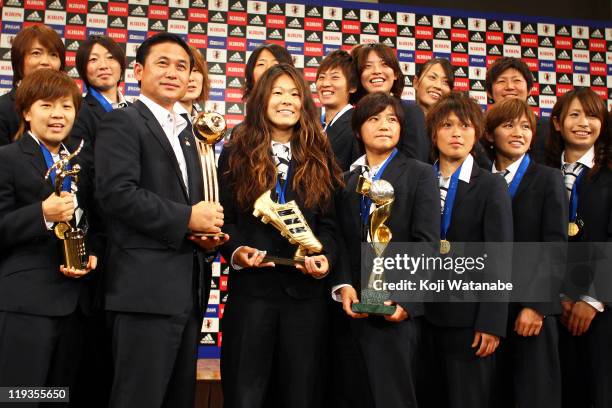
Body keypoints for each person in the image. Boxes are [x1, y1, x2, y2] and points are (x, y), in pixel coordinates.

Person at [95, 33, 224, 408]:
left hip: (188, 291)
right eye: (162, 63)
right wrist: (188, 218)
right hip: (143, 291)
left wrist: (207, 236)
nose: (173, 73)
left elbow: (195, 206)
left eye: (182, 66)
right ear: (137, 71)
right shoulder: (123, 122)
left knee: (178, 398)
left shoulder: (191, 135)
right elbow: (116, 194)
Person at [218, 63, 343, 408]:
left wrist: (326, 258)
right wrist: (237, 250)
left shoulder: (320, 155)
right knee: (246, 395)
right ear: (261, 100)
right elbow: (223, 220)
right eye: (278, 93)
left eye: (295, 94)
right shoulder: (236, 152)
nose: (287, 101)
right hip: (252, 296)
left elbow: (331, 225)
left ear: (304, 103)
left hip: (307, 303)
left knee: (301, 395)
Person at [332, 92, 440, 407]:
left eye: (392, 119)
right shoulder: (345, 181)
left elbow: (427, 244)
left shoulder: (420, 174)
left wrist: (406, 300)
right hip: (350, 313)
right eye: (374, 118)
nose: (384, 125)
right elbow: (338, 240)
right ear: (357, 130)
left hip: (394, 314)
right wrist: (344, 286)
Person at [0, 69, 98, 393]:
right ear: (27, 111)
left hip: (77, 306)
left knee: (60, 398)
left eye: (66, 106)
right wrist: (41, 213)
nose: (58, 114)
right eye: (46, 105)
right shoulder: (7, 159)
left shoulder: (82, 163)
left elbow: (95, 219)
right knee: (20, 397)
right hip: (26, 305)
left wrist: (93, 252)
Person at [421, 91, 513, 408]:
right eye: (446, 125)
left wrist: (491, 322)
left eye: (464, 125)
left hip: (469, 321)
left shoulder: (491, 185)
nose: (456, 133)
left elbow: (500, 257)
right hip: (420, 317)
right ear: (433, 133)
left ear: (476, 132)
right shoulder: (419, 179)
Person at [483, 98, 567, 408]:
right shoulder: (477, 178)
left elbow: (556, 246)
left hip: (530, 313)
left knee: (533, 395)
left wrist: (536, 305)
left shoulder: (548, 179)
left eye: (526, 126)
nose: (519, 132)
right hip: (487, 311)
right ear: (490, 135)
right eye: (508, 125)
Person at [546, 88, 612, 408]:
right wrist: (559, 297)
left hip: (602, 309)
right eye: (574, 115)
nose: (583, 122)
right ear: (558, 123)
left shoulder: (610, 173)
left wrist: (592, 298)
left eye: (592, 115)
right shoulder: (540, 174)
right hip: (552, 310)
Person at [351, 43, 429, 163]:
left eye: (385, 64)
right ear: (359, 76)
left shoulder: (411, 112)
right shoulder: (352, 115)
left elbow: (417, 163)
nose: (376, 71)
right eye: (367, 66)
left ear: (396, 74)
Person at [0, 24, 65, 145]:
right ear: (19, 59)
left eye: (53, 55)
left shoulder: (71, 109)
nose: (45, 62)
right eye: (36, 53)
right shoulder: (3, 109)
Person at [71, 35, 128, 169]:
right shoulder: (78, 112)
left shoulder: (136, 111)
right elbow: (82, 166)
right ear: (83, 70)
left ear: (121, 66)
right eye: (93, 59)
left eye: (110, 57)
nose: (104, 65)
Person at [485, 57, 549, 164]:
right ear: (489, 92)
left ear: (529, 89)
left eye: (517, 80)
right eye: (501, 81)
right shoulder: (478, 127)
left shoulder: (547, 129)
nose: (509, 87)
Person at [316, 49, 359, 171]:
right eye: (321, 77)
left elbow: (362, 175)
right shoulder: (314, 125)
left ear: (352, 87)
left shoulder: (357, 125)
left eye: (335, 77)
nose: (325, 83)